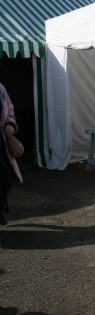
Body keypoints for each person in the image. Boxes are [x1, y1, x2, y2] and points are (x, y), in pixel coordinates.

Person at [0, 82, 23, 225]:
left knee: (6, 179)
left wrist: (10, 124)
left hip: (1, 147)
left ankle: (0, 205)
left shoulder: (0, 88)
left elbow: (10, 109)